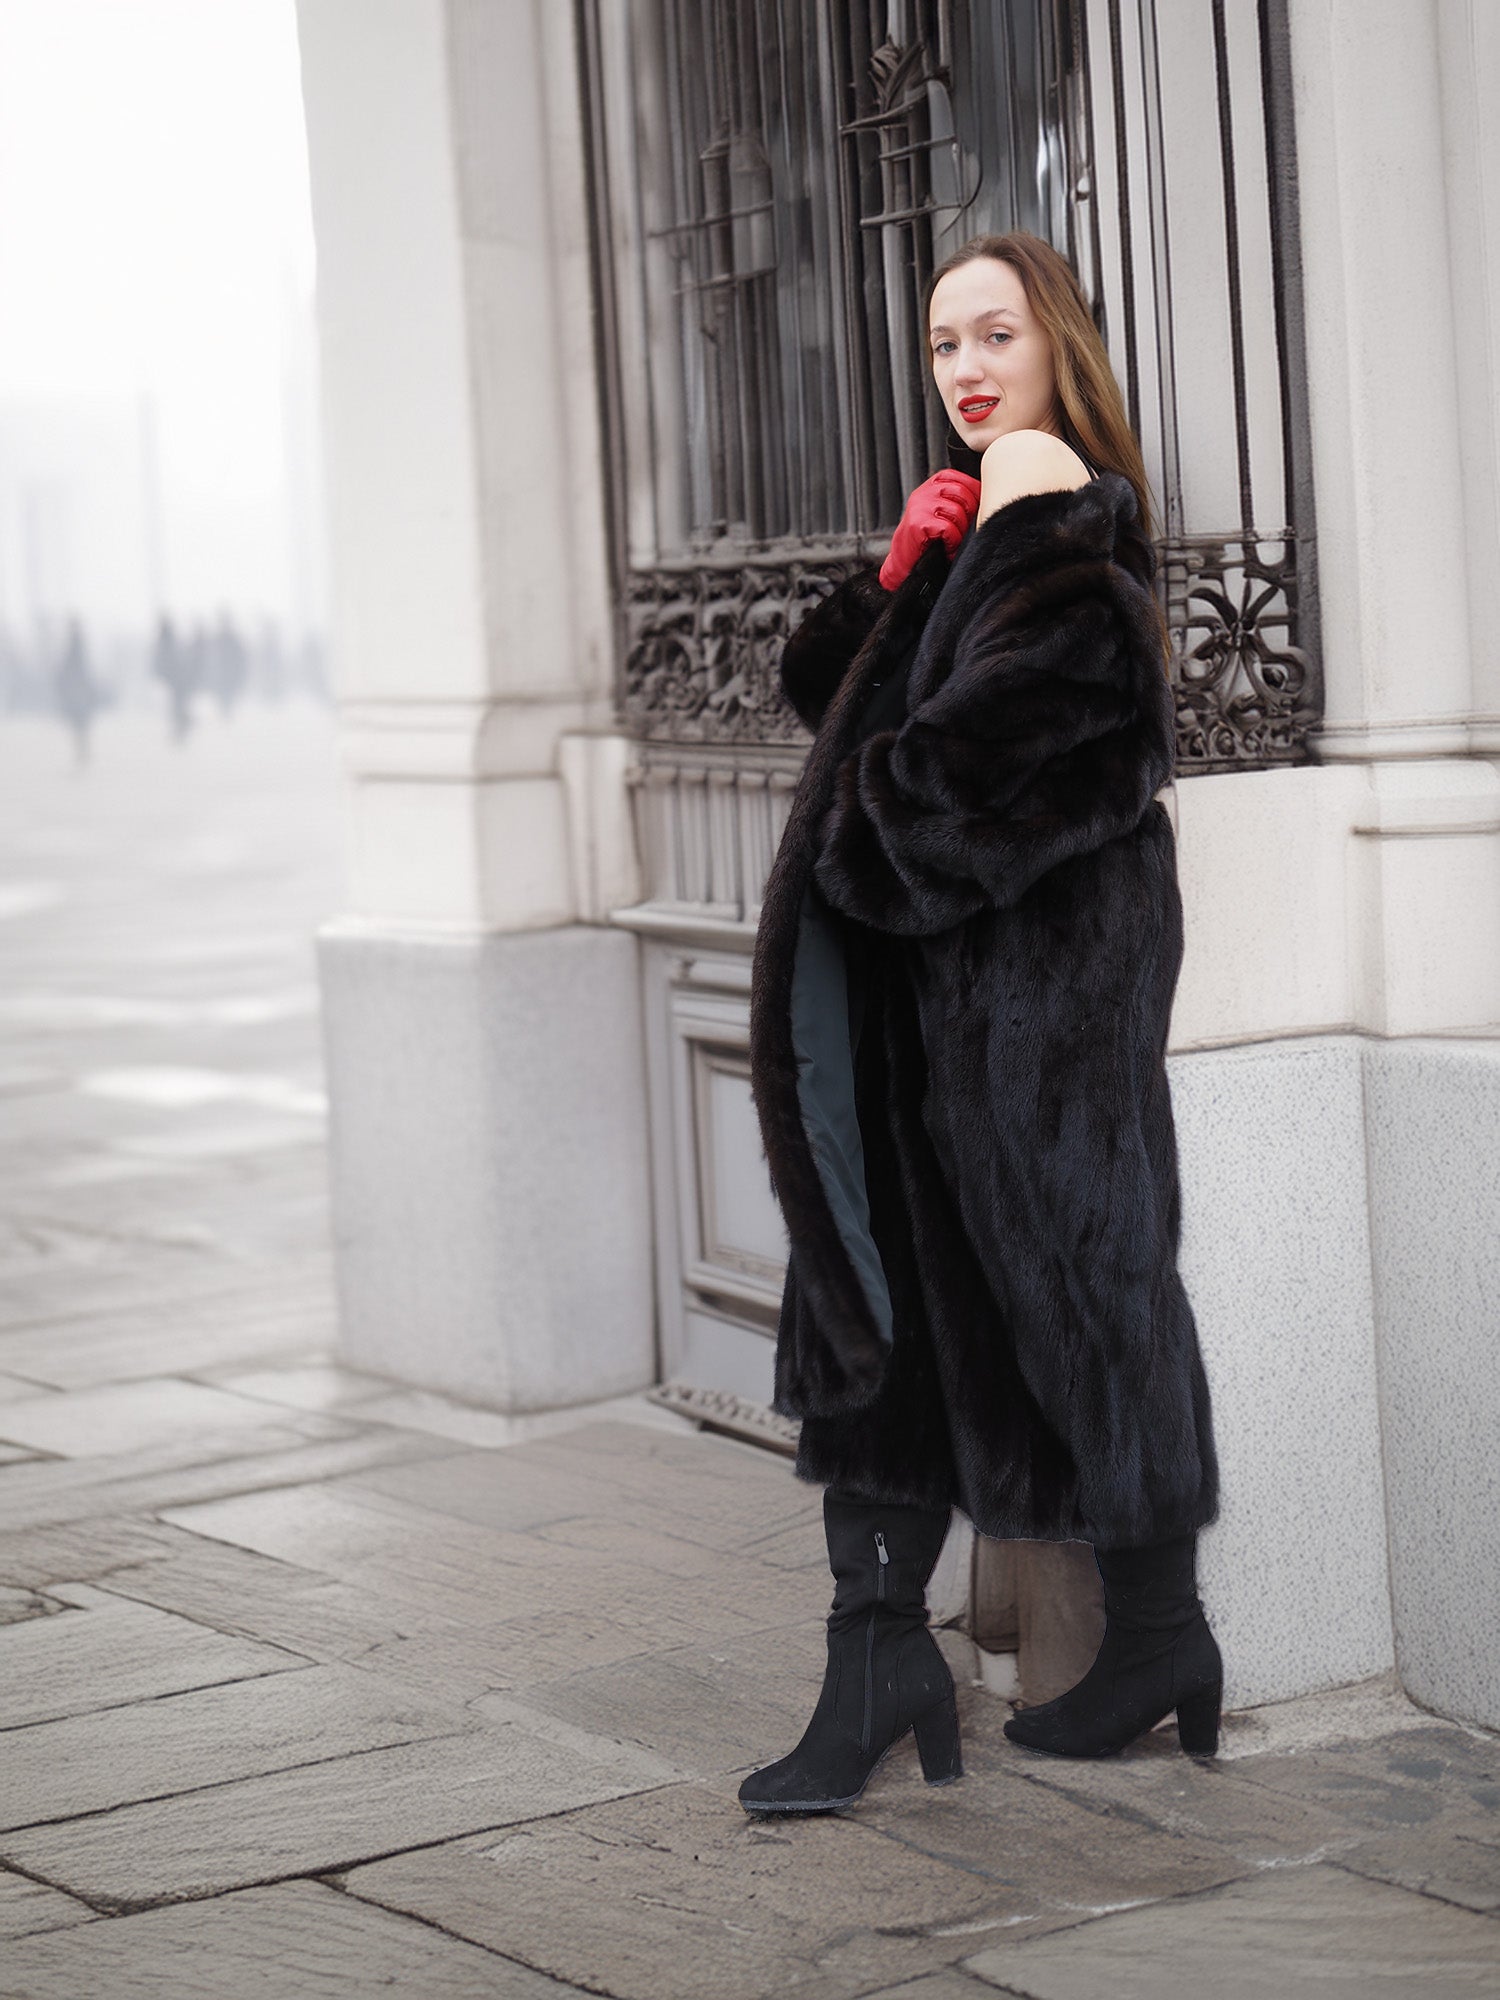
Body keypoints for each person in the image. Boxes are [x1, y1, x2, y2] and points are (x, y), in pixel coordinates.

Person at [740, 230, 1221, 1814]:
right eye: (943, 342)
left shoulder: (1067, 533)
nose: (963, 369)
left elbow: (952, 791)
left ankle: (1159, 1639)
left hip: (1038, 1021)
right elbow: (845, 704)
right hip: (932, 1020)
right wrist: (892, 579)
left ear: (1054, 345)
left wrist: (838, 847)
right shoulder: (978, 535)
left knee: (1089, 1296)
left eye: (993, 333)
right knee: (879, 1309)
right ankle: (874, 1654)